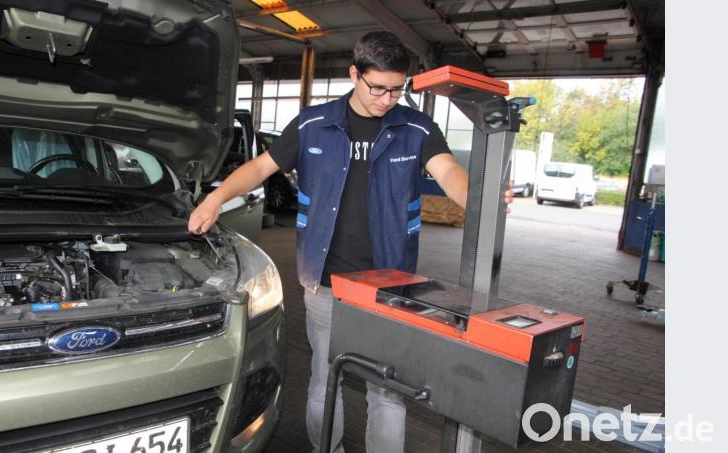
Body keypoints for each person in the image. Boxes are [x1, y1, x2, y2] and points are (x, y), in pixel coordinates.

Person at [189, 31, 513, 453]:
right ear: (354, 74)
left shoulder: (416, 128)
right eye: (377, 87)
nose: (386, 99)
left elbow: (449, 171)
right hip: (326, 284)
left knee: (389, 389)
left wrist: (480, 197)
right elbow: (259, 167)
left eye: (397, 89)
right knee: (327, 380)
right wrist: (214, 198)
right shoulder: (312, 124)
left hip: (392, 289)